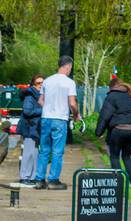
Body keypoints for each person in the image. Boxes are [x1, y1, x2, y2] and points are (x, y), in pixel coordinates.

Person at [35, 55, 79, 190]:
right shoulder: (69, 82)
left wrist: (49, 108)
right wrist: (76, 115)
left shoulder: (47, 81)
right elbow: (72, 103)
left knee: (44, 150)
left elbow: (40, 101)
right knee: (57, 151)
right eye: (70, 68)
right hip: (60, 119)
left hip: (46, 118)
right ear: (68, 67)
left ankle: (39, 180)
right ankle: (53, 180)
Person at [96, 75, 131, 186]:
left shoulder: (112, 96)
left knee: (114, 156)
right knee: (127, 156)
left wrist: (98, 132)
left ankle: (118, 183)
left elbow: (104, 116)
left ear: (111, 87)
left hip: (119, 130)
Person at [17, 75, 44, 185]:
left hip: (36, 128)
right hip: (29, 128)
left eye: (43, 83)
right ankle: (24, 176)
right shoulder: (30, 96)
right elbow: (27, 111)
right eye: (38, 83)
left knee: (35, 153)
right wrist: (43, 111)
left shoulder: (40, 95)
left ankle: (32, 176)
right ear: (33, 84)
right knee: (28, 153)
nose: (41, 85)